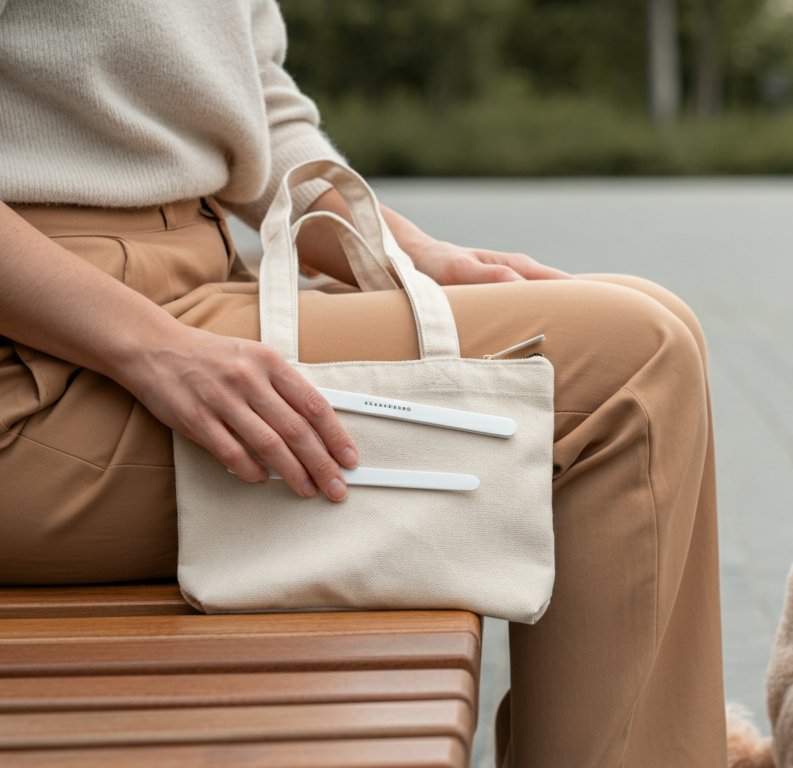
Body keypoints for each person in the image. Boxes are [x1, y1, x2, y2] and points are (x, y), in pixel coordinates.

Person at [0, 1, 726, 765]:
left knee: (657, 317)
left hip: (186, 290)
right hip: (47, 361)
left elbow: (260, 108)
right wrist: (154, 349)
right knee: (632, 364)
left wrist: (406, 251)